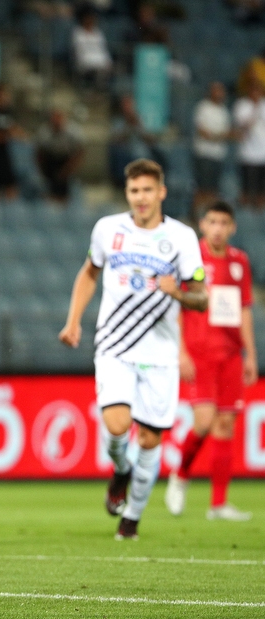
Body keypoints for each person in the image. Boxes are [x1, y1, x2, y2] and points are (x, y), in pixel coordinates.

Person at [59, 158, 207, 541]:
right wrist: (74, 320)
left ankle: (132, 518)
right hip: (114, 345)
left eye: (146, 190)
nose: (140, 198)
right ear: (127, 193)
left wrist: (181, 292)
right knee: (117, 425)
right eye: (133, 191)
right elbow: (90, 272)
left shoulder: (182, 238)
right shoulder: (108, 230)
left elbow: (202, 296)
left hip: (160, 353)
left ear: (161, 192)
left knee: (150, 439)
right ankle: (120, 470)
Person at [166, 202, 257, 521]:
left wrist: (250, 354)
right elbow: (176, 306)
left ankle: (218, 504)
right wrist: (181, 352)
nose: (218, 228)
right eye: (213, 222)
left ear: (232, 227)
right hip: (200, 353)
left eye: (224, 223)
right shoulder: (191, 260)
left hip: (231, 355)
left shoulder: (239, 262)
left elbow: (244, 308)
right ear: (202, 225)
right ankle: (181, 474)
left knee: (225, 424)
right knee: (203, 422)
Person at [191, 82, 232, 216]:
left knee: (213, 190)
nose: (220, 94)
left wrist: (216, 136)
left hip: (218, 155)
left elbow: (227, 133)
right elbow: (202, 131)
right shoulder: (203, 107)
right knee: (202, 189)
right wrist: (218, 136)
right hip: (204, 154)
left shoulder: (224, 111)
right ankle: (195, 217)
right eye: (217, 90)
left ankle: (209, 217)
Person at [36, 108, 84, 203]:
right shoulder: (44, 132)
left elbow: (80, 151)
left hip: (66, 160)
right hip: (50, 160)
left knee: (63, 187)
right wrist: (42, 169)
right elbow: (39, 152)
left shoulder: (73, 131)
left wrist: (69, 168)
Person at [233, 80, 265, 209]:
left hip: (263, 152)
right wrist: (255, 109)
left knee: (261, 189)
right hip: (248, 153)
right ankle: (245, 209)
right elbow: (243, 125)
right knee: (247, 187)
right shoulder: (242, 105)